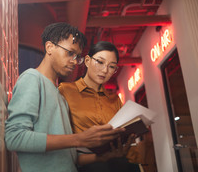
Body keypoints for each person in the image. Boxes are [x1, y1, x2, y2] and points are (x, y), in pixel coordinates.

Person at [4, 23, 124, 172]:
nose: (74, 61)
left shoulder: (59, 96)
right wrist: (78, 139)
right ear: (49, 47)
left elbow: (69, 158)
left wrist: (102, 158)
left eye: (77, 57)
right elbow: (14, 138)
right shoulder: (32, 79)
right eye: (70, 53)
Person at [59, 41, 141, 172]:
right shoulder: (65, 91)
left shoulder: (114, 99)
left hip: (120, 163)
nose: (105, 70)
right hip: (86, 165)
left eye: (112, 66)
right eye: (100, 62)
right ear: (87, 61)